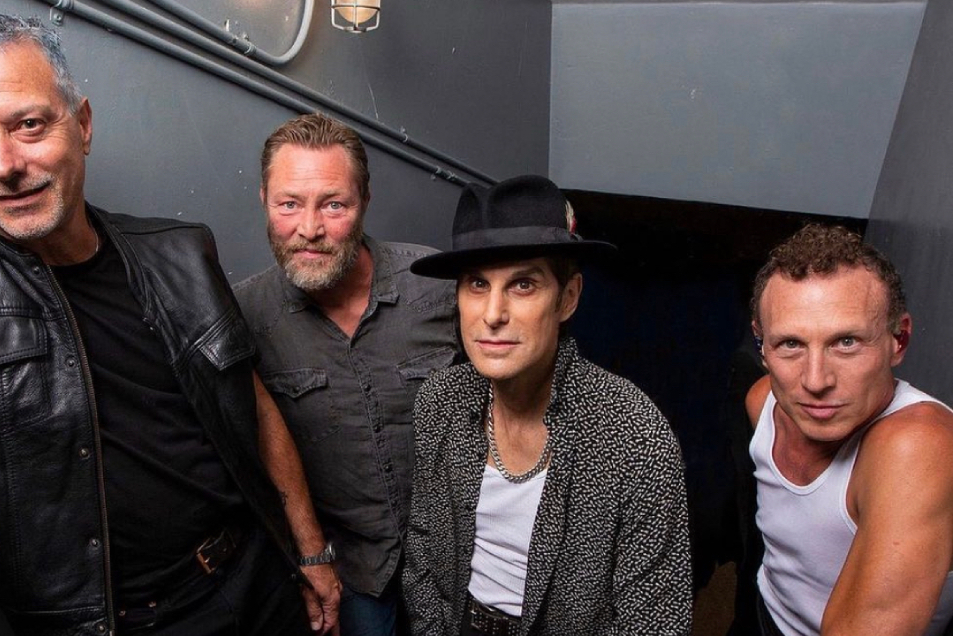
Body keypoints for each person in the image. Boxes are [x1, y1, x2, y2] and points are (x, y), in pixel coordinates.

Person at [0, 12, 340, 636]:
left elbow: (250, 406)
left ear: (83, 125)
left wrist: (311, 551)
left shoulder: (181, 252)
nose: (3, 163)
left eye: (28, 124)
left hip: (260, 583)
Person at [402, 175, 692, 635]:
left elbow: (653, 623)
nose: (492, 314)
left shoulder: (635, 435)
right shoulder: (441, 400)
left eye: (523, 285)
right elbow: (423, 553)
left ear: (567, 298)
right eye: (477, 284)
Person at [233, 113, 458, 635]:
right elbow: (253, 453)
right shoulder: (243, 316)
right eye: (289, 204)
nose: (310, 229)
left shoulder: (438, 287)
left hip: (454, 561)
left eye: (334, 204)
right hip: (350, 575)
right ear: (264, 199)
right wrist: (310, 556)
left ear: (365, 202)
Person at [748, 224, 953, 636]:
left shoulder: (920, 445)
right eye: (791, 344)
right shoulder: (763, 400)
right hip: (767, 607)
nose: (815, 380)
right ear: (762, 345)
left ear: (899, 340)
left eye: (846, 342)